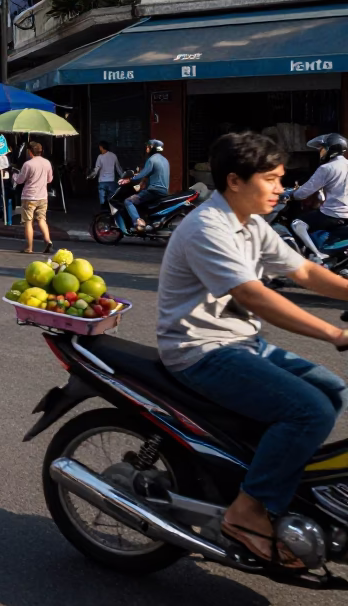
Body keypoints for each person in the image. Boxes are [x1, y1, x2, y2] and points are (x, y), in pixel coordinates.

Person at [159, 132, 348, 569]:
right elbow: (255, 297)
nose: (281, 188)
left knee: (332, 391)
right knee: (311, 411)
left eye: (282, 179)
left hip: (241, 343)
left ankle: (268, 484)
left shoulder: (251, 223)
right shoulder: (209, 227)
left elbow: (303, 270)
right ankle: (248, 508)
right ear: (235, 180)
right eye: (272, 179)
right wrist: (334, 334)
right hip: (200, 349)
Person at [293, 133, 348, 239]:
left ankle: (316, 254)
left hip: (331, 215)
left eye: (322, 149)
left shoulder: (326, 168)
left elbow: (301, 194)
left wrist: (293, 194)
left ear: (331, 149)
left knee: (297, 222)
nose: (320, 152)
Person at [119, 139, 170, 231]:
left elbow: (142, 174)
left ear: (153, 148)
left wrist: (128, 180)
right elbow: (150, 174)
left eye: (148, 146)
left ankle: (138, 223)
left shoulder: (152, 160)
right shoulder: (165, 160)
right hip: (164, 191)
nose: (146, 148)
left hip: (154, 190)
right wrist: (143, 182)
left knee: (128, 201)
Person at [12, 141, 53, 254]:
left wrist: (14, 175)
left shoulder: (28, 164)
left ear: (30, 152)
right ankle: (47, 240)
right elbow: (50, 180)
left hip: (29, 196)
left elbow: (20, 180)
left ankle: (29, 248)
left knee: (28, 222)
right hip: (43, 196)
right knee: (41, 219)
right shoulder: (47, 163)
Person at [89, 140, 122, 207]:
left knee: (102, 200)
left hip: (102, 181)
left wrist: (91, 176)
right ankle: (111, 212)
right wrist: (123, 176)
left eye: (99, 147)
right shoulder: (113, 155)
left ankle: (104, 212)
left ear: (101, 147)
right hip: (111, 181)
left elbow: (96, 169)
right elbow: (118, 168)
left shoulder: (100, 157)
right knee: (111, 199)